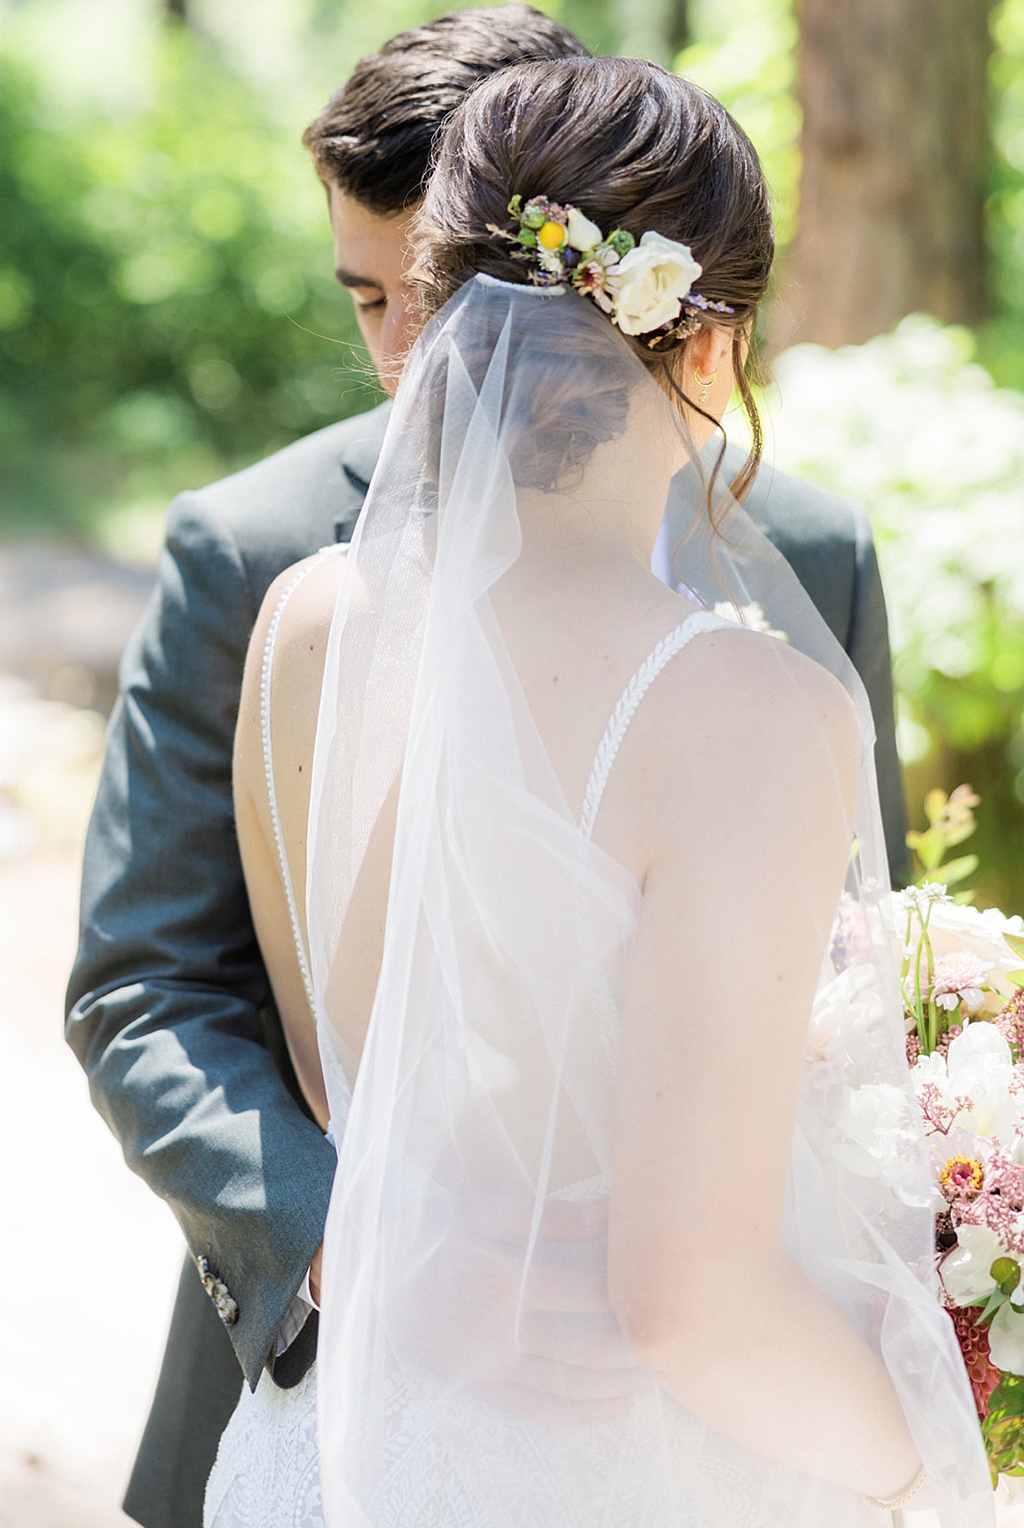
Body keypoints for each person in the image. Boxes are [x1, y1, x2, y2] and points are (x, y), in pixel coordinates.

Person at [65, 10, 906, 1528]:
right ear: (713, 335)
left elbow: (859, 952)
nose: (400, 355)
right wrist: (923, 1446)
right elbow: (150, 986)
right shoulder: (756, 705)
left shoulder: (309, 622)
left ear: (459, 278)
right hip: (595, 1429)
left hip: (356, 1456)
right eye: (368, 305)